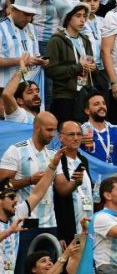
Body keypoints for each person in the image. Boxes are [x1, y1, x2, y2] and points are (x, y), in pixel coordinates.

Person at [0, 112, 59, 269]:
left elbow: (59, 188)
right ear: (37, 128)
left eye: (54, 130)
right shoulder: (16, 150)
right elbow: (2, 185)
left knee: (48, 269)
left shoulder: (53, 155)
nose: (52, 134)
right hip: (24, 221)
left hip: (50, 222)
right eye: (49, 130)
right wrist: (30, 180)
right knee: (21, 268)